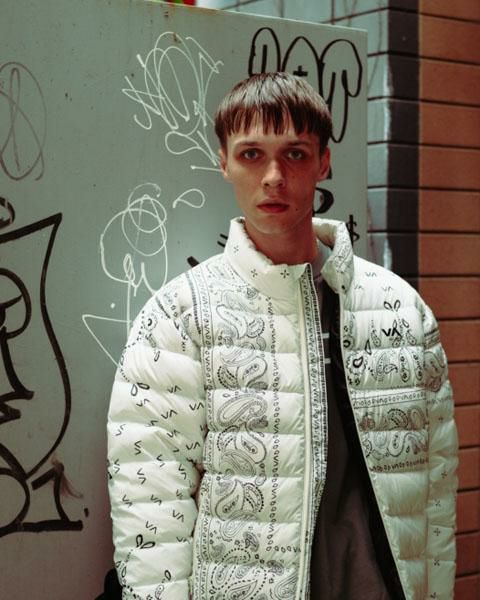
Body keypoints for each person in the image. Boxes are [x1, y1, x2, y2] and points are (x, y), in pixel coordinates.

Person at [107, 72, 458, 600]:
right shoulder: (180, 317)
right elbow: (151, 503)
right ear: (223, 162)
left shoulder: (400, 310)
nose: (273, 176)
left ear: (323, 162)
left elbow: (436, 492)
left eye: (295, 154)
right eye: (251, 154)